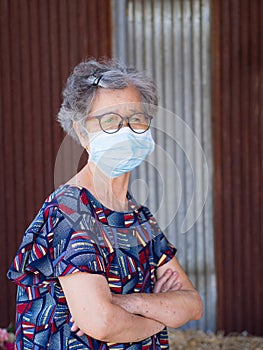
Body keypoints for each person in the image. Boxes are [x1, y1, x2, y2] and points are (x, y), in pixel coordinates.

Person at [7, 59, 203, 349]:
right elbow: (102, 322)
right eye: (109, 121)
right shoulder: (70, 211)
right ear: (83, 132)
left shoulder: (138, 217)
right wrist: (161, 317)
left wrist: (130, 302)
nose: (126, 130)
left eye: (137, 118)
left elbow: (192, 304)